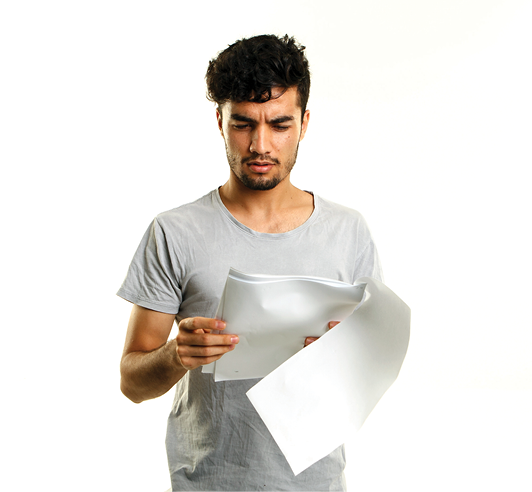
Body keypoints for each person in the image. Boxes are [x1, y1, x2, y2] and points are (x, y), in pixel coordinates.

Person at [118, 34, 383, 491]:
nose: (261, 145)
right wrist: (176, 353)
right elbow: (133, 383)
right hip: (208, 481)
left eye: (279, 124)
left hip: (315, 482)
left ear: (304, 123)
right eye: (243, 124)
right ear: (219, 121)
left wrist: (348, 355)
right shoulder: (174, 232)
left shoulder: (349, 231)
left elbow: (373, 366)